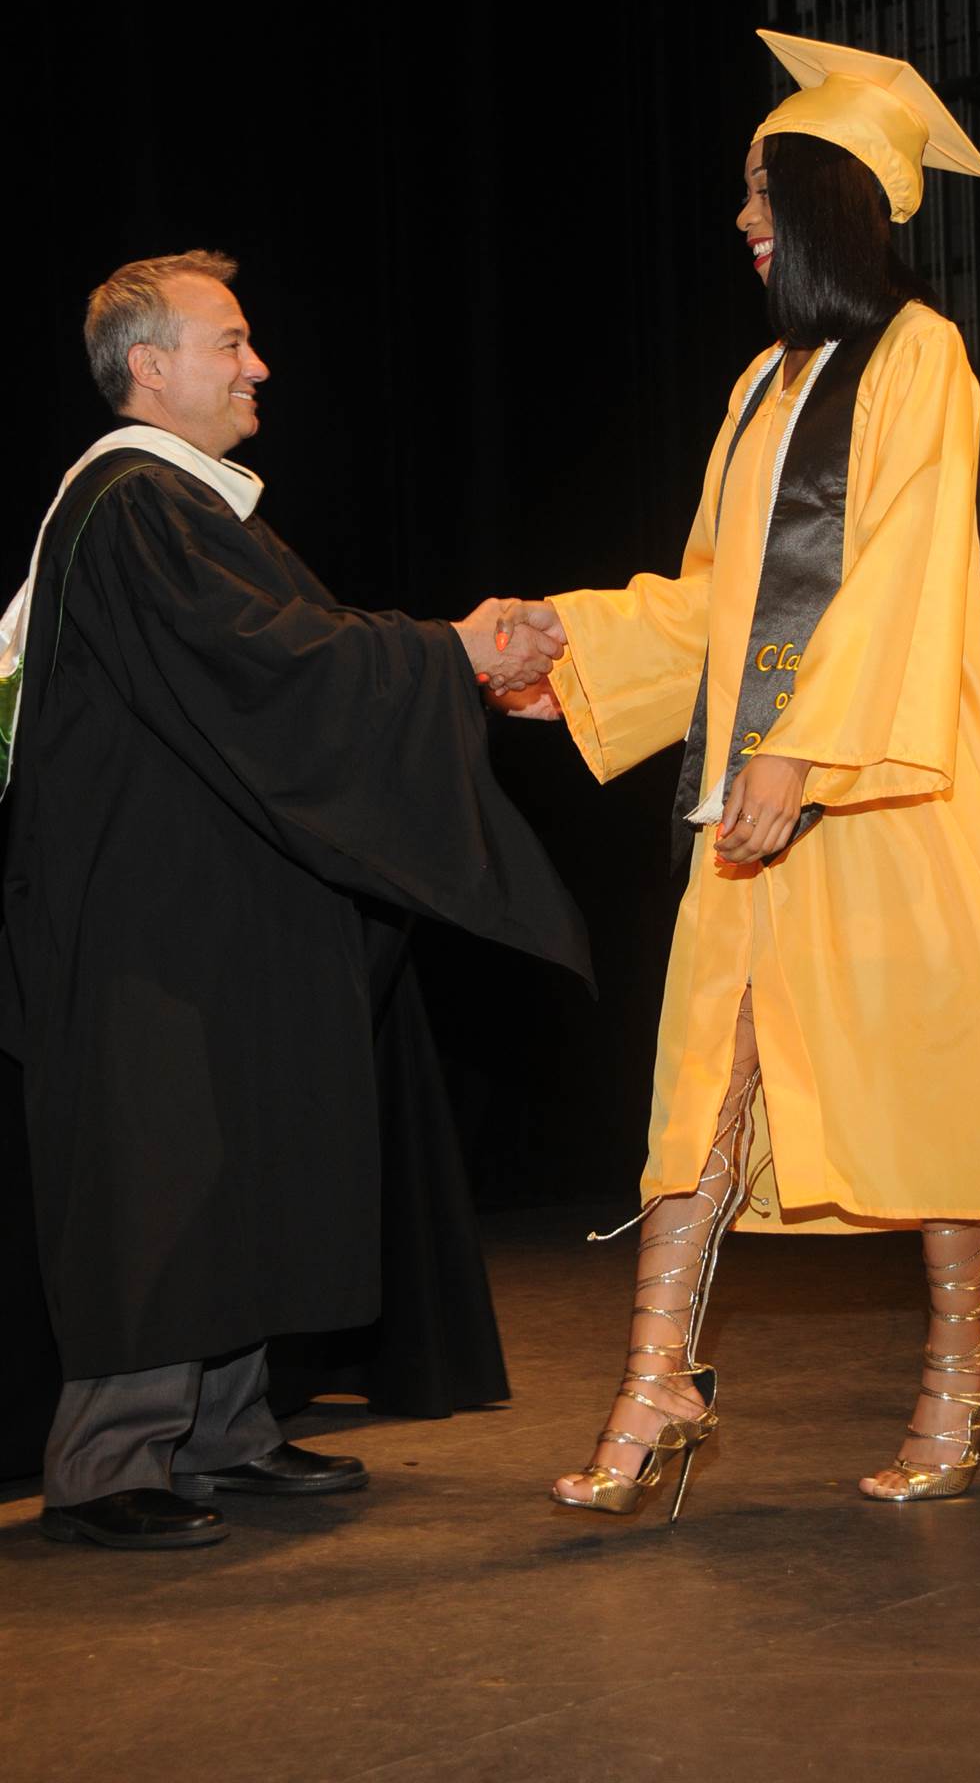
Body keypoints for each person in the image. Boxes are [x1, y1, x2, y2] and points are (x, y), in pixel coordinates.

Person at [498, 32, 980, 1511]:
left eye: (762, 190)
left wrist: (808, 753)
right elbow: (715, 599)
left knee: (920, 1071)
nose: (742, 219)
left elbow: (902, 575)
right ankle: (654, 1384)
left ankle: (962, 1363)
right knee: (707, 1071)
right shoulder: (761, 386)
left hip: (883, 780)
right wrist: (571, 640)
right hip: (757, 797)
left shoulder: (920, 359)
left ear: (832, 198)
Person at [0, 250, 587, 1550]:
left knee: (240, 1164)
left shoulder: (194, 507)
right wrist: (447, 651)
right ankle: (108, 1465)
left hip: (213, 922)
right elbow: (271, 671)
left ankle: (223, 1433)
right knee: (159, 1181)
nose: (258, 366)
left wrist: (438, 662)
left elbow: (285, 666)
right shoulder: (132, 503)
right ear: (148, 368)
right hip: (145, 939)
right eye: (230, 342)